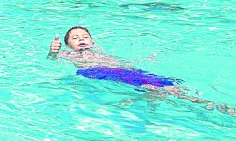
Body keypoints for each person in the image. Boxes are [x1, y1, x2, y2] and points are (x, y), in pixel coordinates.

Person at [49, 26, 236, 115]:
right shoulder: (70, 54)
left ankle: (211, 104)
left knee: (170, 86)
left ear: (92, 41)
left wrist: (145, 60)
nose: (81, 39)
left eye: (85, 36)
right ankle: (208, 105)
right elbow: (54, 58)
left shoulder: (100, 51)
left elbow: (123, 62)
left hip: (130, 71)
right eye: (75, 38)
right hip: (101, 72)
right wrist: (53, 51)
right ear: (68, 45)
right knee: (154, 88)